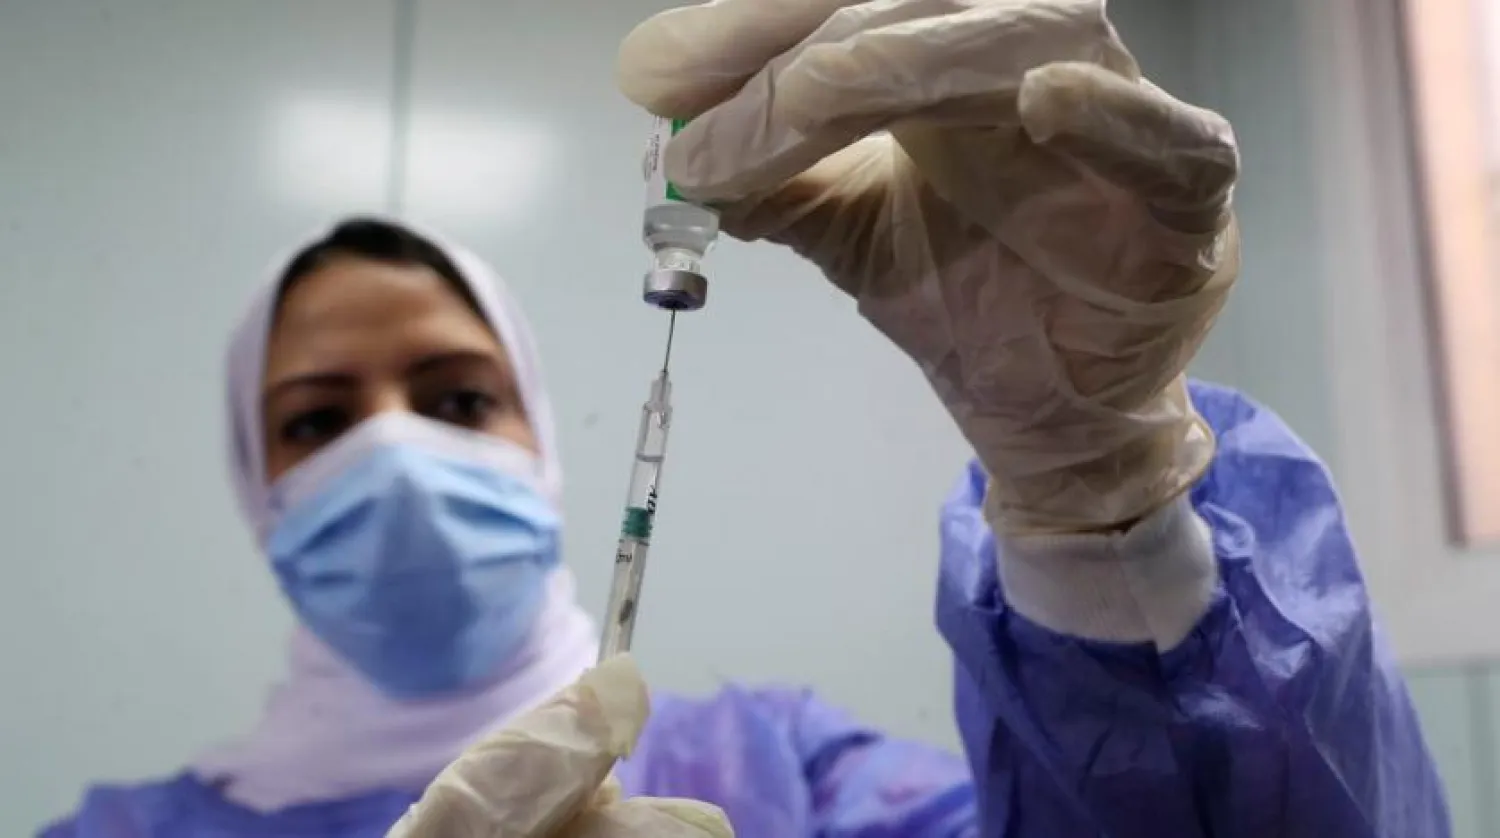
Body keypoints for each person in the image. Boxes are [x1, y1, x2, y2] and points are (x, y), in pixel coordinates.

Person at [43, 0, 1451, 836]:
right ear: (254, 479)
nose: (398, 448)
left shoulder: (789, 777)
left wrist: (1103, 500)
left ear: (542, 439)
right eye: (316, 418)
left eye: (462, 396)